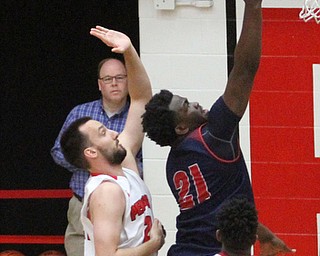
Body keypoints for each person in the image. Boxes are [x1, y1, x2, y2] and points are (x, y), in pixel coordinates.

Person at [142, 0, 295, 255]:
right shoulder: (213, 135)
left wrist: (264, 235)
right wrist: (253, 7)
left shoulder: (174, 164)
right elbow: (244, 69)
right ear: (180, 127)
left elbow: (219, 212)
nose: (196, 104)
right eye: (187, 105)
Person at [60, 26, 165, 255]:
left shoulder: (125, 167)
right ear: (91, 153)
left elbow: (141, 99)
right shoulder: (107, 192)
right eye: (102, 132)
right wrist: (152, 245)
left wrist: (129, 51)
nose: (114, 132)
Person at [51, 56, 143, 255]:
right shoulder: (81, 113)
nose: (115, 83)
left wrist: (119, 167)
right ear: (100, 85)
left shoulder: (137, 117)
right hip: (82, 200)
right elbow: (58, 151)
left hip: (124, 203)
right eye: (108, 79)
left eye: (120, 77)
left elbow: (148, 161)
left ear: (129, 80)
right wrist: (92, 163)